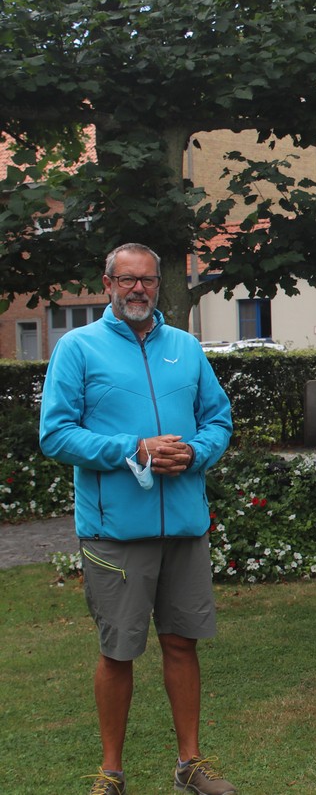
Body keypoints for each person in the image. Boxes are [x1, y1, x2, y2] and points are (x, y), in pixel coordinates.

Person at [40, 244, 236, 795]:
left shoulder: (186, 348)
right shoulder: (78, 348)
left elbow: (217, 419)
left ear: (157, 284)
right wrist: (135, 448)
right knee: (117, 651)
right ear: (107, 284)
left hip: (184, 527)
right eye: (126, 280)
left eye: (147, 280)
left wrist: (196, 454)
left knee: (182, 644)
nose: (138, 290)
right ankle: (111, 771)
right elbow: (55, 433)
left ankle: (190, 764)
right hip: (115, 531)